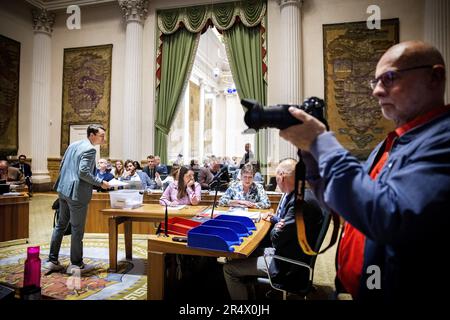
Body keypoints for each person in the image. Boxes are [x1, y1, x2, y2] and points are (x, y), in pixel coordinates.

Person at [279, 40, 450, 301]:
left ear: (434, 77)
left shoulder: (442, 138)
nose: (377, 91)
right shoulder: (391, 142)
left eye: (390, 78)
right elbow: (344, 204)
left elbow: (388, 217)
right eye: (376, 82)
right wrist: (309, 154)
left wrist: (322, 141)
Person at [223, 159, 324, 299]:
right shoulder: (302, 195)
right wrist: (278, 222)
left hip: (286, 264)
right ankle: (249, 292)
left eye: (276, 175)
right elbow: (285, 228)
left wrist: (277, 227)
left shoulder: (298, 204)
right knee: (241, 253)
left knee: (229, 269)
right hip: (290, 253)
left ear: (281, 176)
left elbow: (275, 238)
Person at [45, 124, 110, 274]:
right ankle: (76, 264)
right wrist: (101, 183)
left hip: (63, 190)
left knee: (60, 226)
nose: (104, 139)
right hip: (77, 194)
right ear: (92, 134)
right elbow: (83, 173)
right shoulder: (90, 149)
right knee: (77, 229)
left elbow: (62, 165)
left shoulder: (73, 144)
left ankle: (52, 260)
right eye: (101, 135)